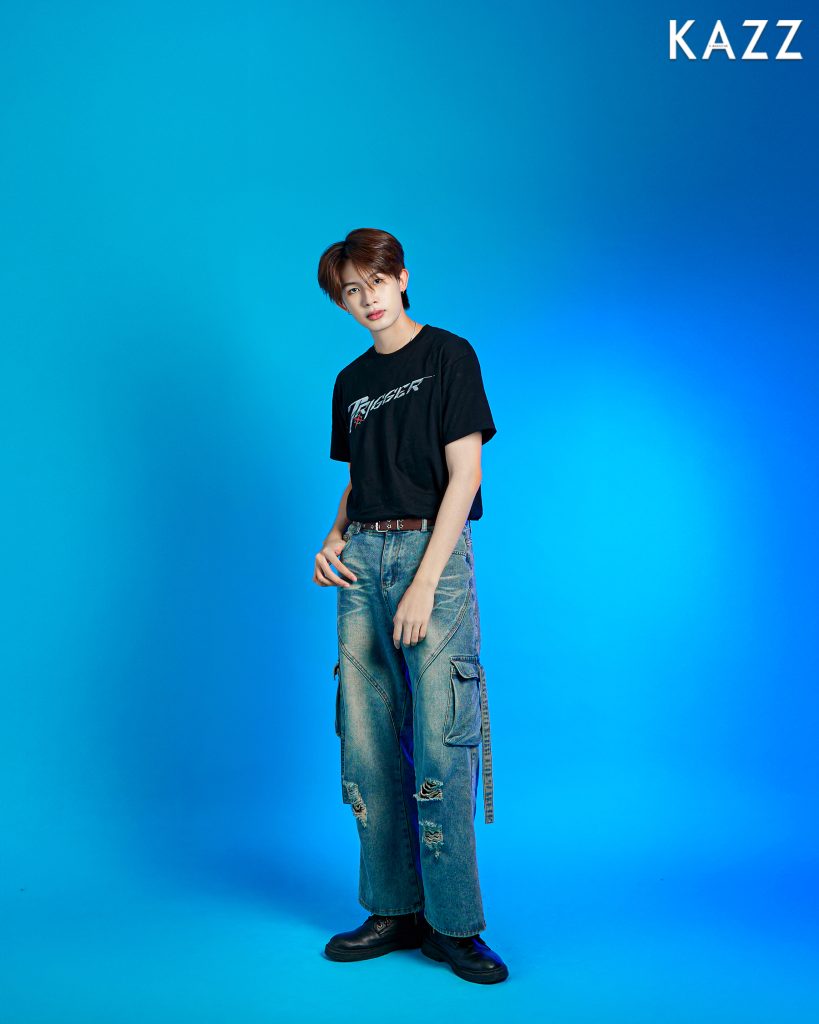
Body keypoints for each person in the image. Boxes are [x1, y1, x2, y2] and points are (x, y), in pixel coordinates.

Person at [313, 227, 508, 985]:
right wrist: (332, 538)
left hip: (435, 554)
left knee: (441, 737)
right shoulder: (350, 382)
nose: (364, 299)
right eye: (349, 291)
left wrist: (426, 581)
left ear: (400, 277)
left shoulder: (448, 355)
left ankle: (454, 924)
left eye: (373, 282)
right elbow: (361, 478)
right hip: (362, 560)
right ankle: (393, 909)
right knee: (365, 738)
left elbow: (465, 476)